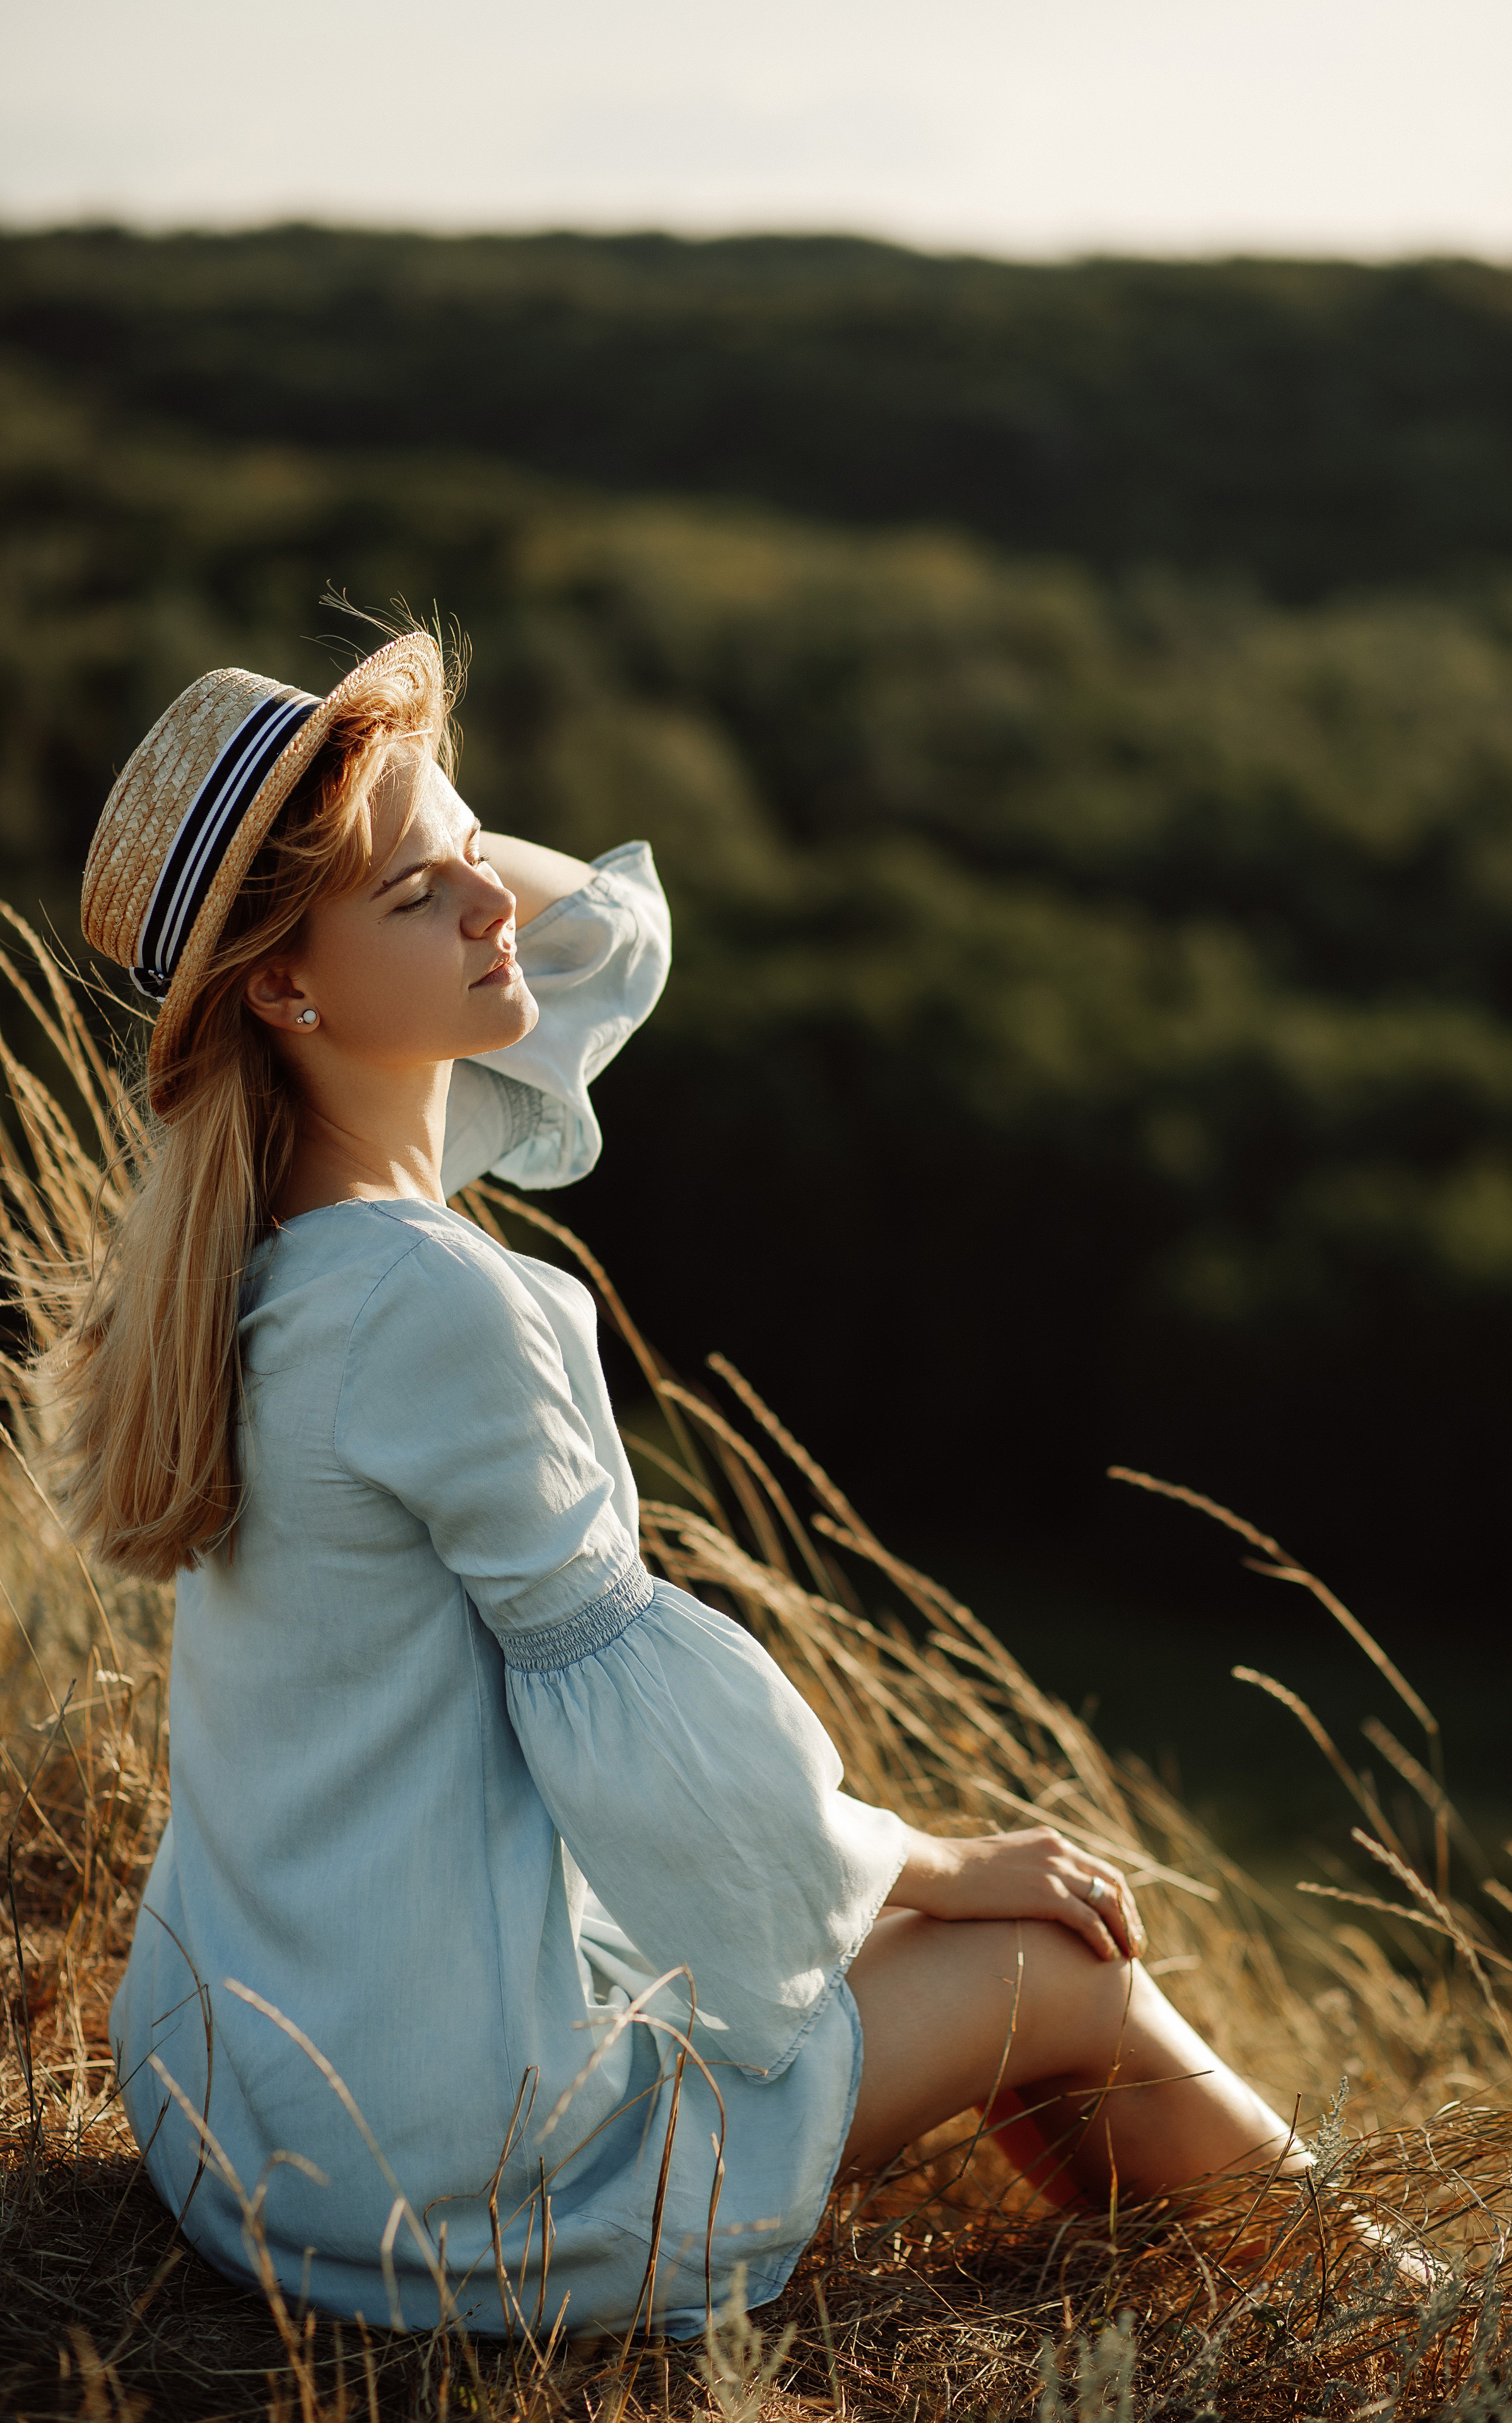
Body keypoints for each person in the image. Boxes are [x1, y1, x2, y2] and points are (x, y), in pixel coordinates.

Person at [55, 628, 1310, 2343]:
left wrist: (411, 814)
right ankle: (1433, 2334)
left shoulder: (262, 1262)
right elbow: (667, 1763)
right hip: (450, 2178)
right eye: (429, 897)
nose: (500, 907)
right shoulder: (431, 1305)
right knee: (1061, 1968)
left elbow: (600, 934)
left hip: (244, 2123)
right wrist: (936, 1865)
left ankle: (1245, 2305)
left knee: (949, 1979)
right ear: (287, 990)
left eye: (479, 855)